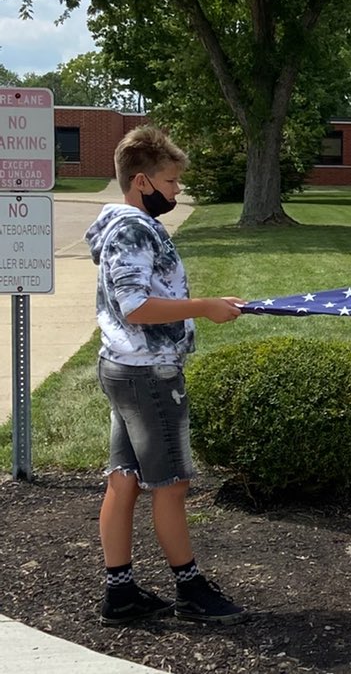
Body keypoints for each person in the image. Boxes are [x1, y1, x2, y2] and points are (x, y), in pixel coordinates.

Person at [86, 126, 248, 626]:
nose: (177, 191)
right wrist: (205, 307)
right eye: (172, 182)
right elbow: (135, 306)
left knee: (125, 479)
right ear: (142, 181)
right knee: (171, 484)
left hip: (123, 367)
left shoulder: (120, 226)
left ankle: (121, 592)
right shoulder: (133, 229)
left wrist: (210, 305)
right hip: (148, 375)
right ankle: (191, 590)